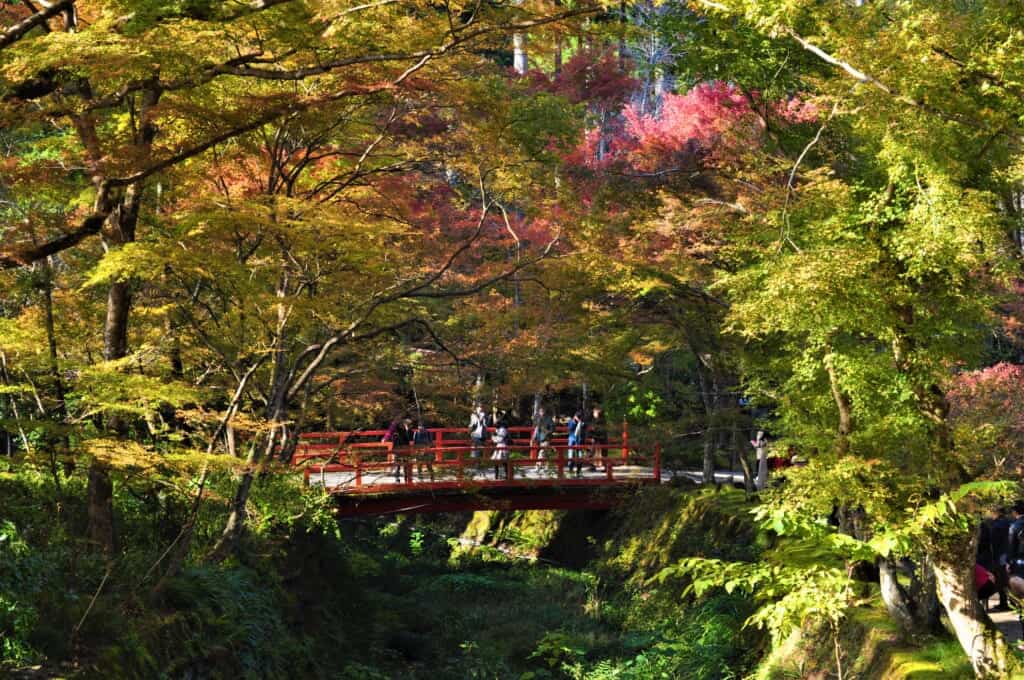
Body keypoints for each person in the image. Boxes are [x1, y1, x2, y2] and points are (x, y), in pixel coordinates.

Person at [979, 508, 1011, 610]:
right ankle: (1008, 603)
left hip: (996, 556)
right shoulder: (1008, 522)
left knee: (1000, 580)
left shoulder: (994, 525)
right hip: (1006, 554)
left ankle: (1002, 604)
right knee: (1005, 580)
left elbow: (990, 543)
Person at [390, 418, 413, 482]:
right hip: (398, 451)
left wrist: (407, 429)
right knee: (398, 466)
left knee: (405, 465)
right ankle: (397, 478)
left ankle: (406, 478)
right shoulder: (396, 433)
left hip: (405, 450)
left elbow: (410, 438)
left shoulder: (409, 431)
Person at [532, 406, 554, 472]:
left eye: (543, 411)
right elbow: (536, 428)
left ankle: (538, 467)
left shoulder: (549, 419)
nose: (542, 413)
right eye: (540, 411)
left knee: (542, 452)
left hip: (546, 438)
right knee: (546, 453)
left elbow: (553, 428)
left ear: (544, 411)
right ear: (539, 412)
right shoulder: (538, 419)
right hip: (540, 438)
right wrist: (534, 438)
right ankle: (547, 466)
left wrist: (548, 432)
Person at [567, 411, 586, 477]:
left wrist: (581, 424)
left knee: (580, 456)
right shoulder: (571, 421)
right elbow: (570, 429)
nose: (579, 418)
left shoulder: (583, 423)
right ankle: (570, 471)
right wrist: (576, 422)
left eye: (580, 417)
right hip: (572, 440)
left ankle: (578, 471)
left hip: (580, 441)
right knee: (571, 456)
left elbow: (585, 430)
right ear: (575, 416)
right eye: (578, 417)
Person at [588, 406, 606, 472]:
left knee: (595, 453)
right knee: (593, 453)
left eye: (594, 412)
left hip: (599, 439)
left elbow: (597, 430)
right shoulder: (596, 420)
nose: (593, 414)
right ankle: (593, 466)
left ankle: (594, 466)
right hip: (598, 438)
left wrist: (592, 432)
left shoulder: (600, 421)